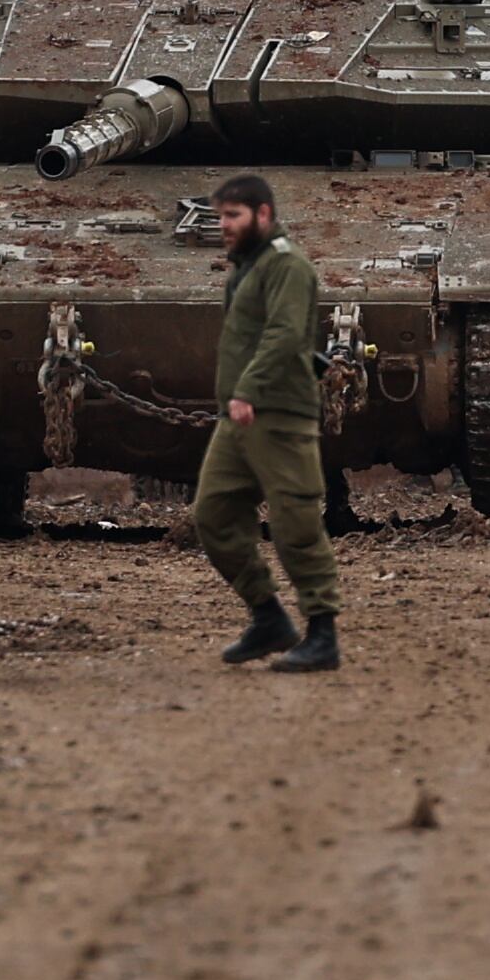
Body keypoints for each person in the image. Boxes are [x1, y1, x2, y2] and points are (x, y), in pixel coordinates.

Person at [193, 174, 341, 671]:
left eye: (232, 215)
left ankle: (323, 633)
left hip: (277, 411)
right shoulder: (248, 267)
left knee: (295, 521)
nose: (223, 225)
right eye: (219, 216)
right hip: (240, 414)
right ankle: (268, 615)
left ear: (263, 214)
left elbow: (285, 334)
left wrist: (248, 390)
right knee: (213, 514)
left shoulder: (287, 265)